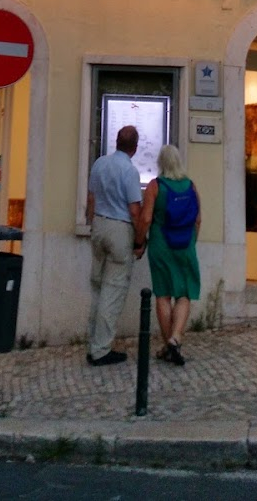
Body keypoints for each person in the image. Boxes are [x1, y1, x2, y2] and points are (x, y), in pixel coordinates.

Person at [85, 124, 143, 366]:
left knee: (98, 287)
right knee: (114, 291)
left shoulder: (99, 163)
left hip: (99, 224)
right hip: (120, 229)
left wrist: (92, 224)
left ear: (116, 142)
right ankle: (101, 349)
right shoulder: (129, 171)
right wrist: (140, 240)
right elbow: (134, 210)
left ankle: (93, 342)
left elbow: (91, 198)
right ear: (135, 148)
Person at [137, 143, 200, 366]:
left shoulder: (155, 186)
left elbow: (145, 218)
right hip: (186, 245)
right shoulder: (190, 186)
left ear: (161, 164)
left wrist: (139, 241)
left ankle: (168, 344)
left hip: (161, 246)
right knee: (184, 294)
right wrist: (191, 241)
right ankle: (176, 338)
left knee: (163, 294)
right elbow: (198, 219)